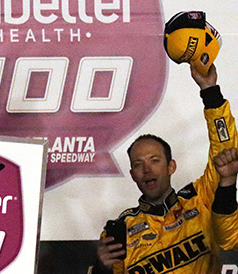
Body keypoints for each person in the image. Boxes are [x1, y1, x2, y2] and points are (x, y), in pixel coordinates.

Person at [92, 64, 238, 273]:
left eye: (154, 160)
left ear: (171, 166)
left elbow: (226, 152)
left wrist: (209, 89)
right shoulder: (121, 230)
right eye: (138, 164)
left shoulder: (200, 199)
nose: (147, 170)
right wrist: (101, 269)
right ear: (133, 175)